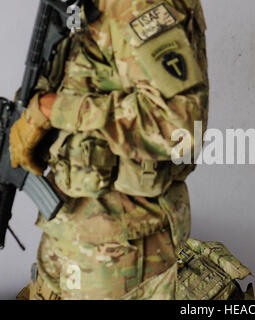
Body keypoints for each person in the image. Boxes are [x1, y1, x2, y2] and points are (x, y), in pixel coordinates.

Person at [10, 0, 208, 300]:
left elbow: (178, 125)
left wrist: (53, 109)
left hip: (121, 251)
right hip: (70, 228)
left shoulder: (136, 4)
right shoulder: (86, 6)